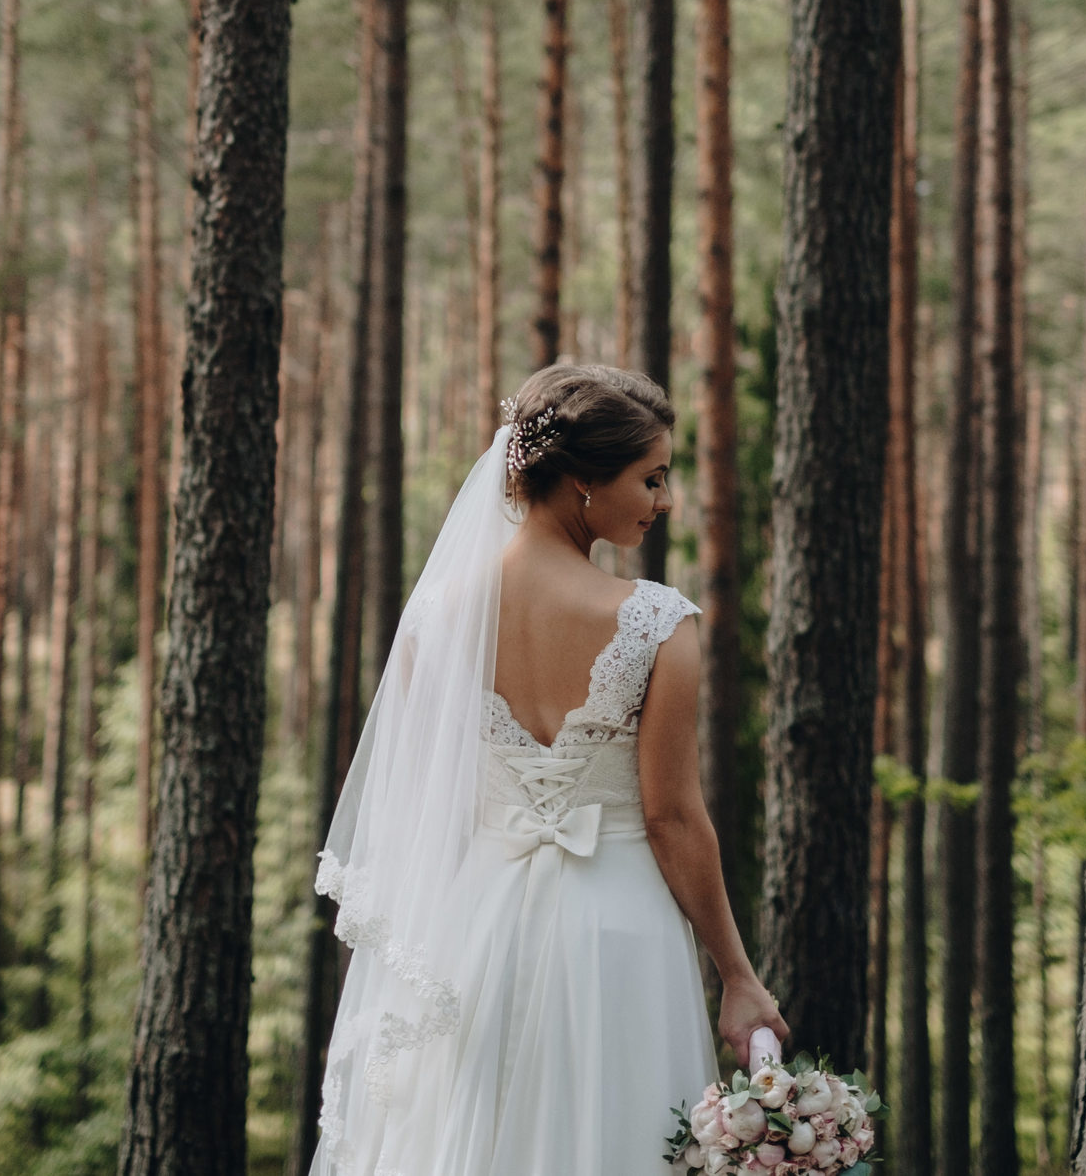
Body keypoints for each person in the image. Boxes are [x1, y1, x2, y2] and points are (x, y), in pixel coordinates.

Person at [311, 363, 785, 1176]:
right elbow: (673, 820)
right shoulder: (657, 623)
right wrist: (738, 975)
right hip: (618, 937)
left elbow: (430, 807)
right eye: (652, 477)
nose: (664, 500)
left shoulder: (437, 618)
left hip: (472, 937)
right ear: (581, 482)